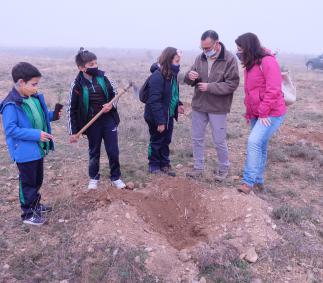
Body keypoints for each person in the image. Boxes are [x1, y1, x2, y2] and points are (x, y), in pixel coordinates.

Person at [0, 62, 61, 225]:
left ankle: (36, 205)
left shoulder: (32, 98)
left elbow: (40, 116)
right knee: (27, 182)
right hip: (24, 152)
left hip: (37, 149)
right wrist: (36, 134)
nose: (36, 88)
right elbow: (11, 129)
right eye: (34, 84)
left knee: (37, 179)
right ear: (21, 83)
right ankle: (28, 214)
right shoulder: (11, 104)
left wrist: (52, 115)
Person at [184, 30, 239, 181]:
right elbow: (190, 79)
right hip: (199, 105)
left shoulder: (229, 59)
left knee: (219, 140)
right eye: (202, 48)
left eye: (208, 48)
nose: (205, 51)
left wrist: (210, 87)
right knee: (197, 138)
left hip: (218, 107)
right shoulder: (199, 58)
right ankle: (198, 167)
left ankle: (223, 168)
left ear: (217, 43)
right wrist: (189, 76)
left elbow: (232, 84)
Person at [235, 33, 286, 194]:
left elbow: (274, 90)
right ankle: (258, 180)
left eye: (240, 49)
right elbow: (252, 91)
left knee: (253, 142)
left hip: (272, 112)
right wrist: (250, 113)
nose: (238, 52)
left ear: (248, 48)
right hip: (257, 113)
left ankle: (248, 181)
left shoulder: (268, 61)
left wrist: (263, 113)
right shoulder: (251, 63)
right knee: (261, 145)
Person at [67, 48, 126, 190]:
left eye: (96, 63)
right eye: (91, 64)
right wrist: (73, 132)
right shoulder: (76, 85)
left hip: (108, 119)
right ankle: (93, 178)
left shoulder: (104, 77)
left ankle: (116, 177)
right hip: (91, 123)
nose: (95, 66)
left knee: (113, 150)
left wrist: (111, 105)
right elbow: (71, 109)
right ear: (81, 68)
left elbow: (115, 93)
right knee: (94, 151)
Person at [144, 47, 185, 176]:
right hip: (157, 117)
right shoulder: (158, 76)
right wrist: (160, 122)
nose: (178, 64)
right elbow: (154, 101)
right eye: (176, 61)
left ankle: (164, 164)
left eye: (179, 61)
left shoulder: (172, 75)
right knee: (156, 141)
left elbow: (172, 94)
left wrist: (178, 104)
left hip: (168, 115)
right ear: (168, 60)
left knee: (166, 140)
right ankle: (154, 165)